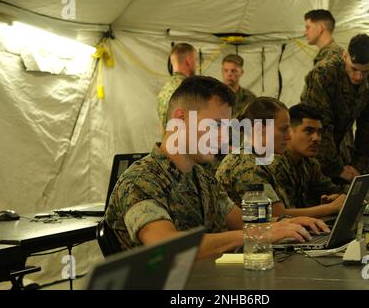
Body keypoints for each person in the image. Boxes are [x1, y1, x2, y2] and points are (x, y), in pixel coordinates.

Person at [105, 76, 329, 260]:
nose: (224, 137)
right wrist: (257, 234)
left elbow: (242, 220)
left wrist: (286, 224)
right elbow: (167, 248)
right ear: (180, 119)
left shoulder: (202, 177)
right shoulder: (141, 180)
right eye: (215, 126)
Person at [271, 104, 369, 218]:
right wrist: (329, 208)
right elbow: (279, 215)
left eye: (319, 132)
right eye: (309, 131)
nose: (316, 138)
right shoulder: (275, 165)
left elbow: (333, 189)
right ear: (289, 132)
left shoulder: (309, 164)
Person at [300, 34, 369, 184]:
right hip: (315, 148)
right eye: (354, 69)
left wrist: (359, 167)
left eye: (365, 71)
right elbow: (319, 126)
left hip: (342, 146)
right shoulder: (324, 74)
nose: (358, 77)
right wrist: (338, 169)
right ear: (345, 56)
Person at [157, 43, 198, 133]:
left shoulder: (164, 89)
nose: (197, 65)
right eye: (196, 60)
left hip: (167, 143)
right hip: (183, 144)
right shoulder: (189, 88)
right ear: (189, 61)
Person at [221, 54, 257, 118]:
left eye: (233, 71)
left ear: (241, 72)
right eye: (226, 70)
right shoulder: (214, 96)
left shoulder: (249, 98)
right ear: (222, 72)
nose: (229, 74)